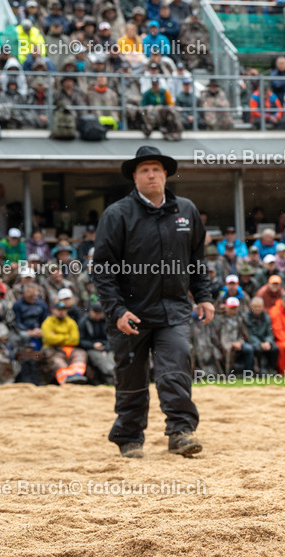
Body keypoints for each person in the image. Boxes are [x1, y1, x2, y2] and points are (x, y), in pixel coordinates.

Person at [92, 146, 215, 459]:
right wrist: (117, 310)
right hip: (129, 313)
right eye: (144, 170)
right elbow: (103, 269)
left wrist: (203, 296)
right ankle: (129, 436)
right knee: (131, 377)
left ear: (165, 174)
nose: (151, 175)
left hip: (173, 311)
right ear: (134, 177)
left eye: (156, 169)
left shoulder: (186, 211)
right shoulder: (117, 214)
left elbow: (196, 260)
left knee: (176, 367)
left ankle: (181, 432)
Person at [40, 301, 89, 385]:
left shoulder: (71, 322)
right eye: (59, 310)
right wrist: (67, 336)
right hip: (53, 349)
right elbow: (49, 339)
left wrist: (56, 336)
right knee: (57, 361)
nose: (61, 312)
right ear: (53, 311)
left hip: (70, 349)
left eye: (63, 310)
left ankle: (77, 376)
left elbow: (75, 340)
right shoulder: (47, 322)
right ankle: (66, 380)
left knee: (81, 354)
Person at [78, 302, 114, 385]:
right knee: (101, 360)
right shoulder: (83, 322)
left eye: (99, 313)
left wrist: (105, 348)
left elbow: (111, 337)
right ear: (91, 311)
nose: (98, 315)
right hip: (91, 348)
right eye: (96, 313)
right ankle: (112, 378)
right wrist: (93, 345)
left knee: (111, 358)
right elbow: (79, 341)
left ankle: (113, 378)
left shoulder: (105, 321)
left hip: (106, 347)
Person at [244, 297, 278, 374]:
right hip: (253, 341)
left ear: (263, 307)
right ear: (251, 307)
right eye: (255, 306)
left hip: (265, 341)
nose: (257, 308)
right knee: (257, 349)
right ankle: (260, 369)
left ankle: (272, 369)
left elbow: (270, 332)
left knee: (275, 349)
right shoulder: (246, 317)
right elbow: (248, 334)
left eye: (259, 306)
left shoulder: (267, 317)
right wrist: (260, 343)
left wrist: (268, 342)